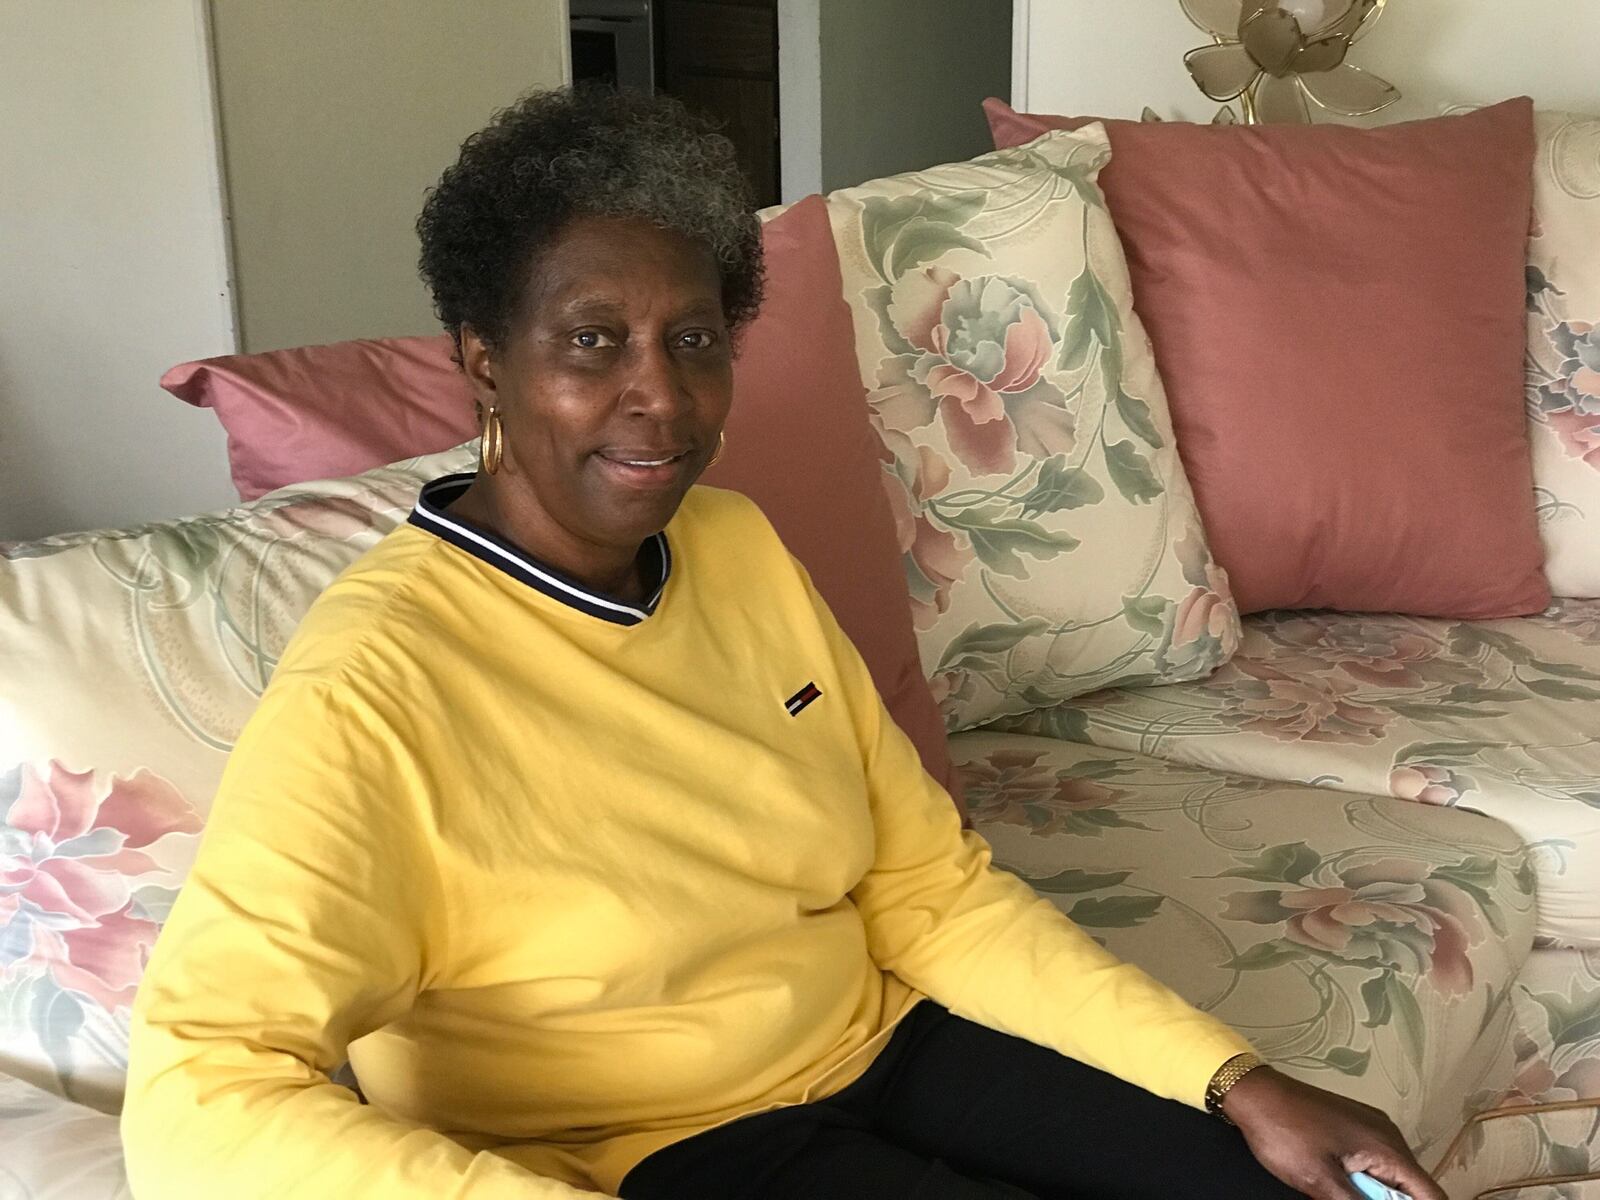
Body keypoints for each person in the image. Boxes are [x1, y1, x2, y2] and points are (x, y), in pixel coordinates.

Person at [121, 88, 1445, 1200]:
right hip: (665, 1145)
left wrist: (1235, 1077)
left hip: (886, 1044)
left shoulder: (736, 546)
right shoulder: (376, 689)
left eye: (693, 340)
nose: (661, 399)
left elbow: (926, 891)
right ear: (484, 361)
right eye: (593, 342)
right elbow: (196, 1099)